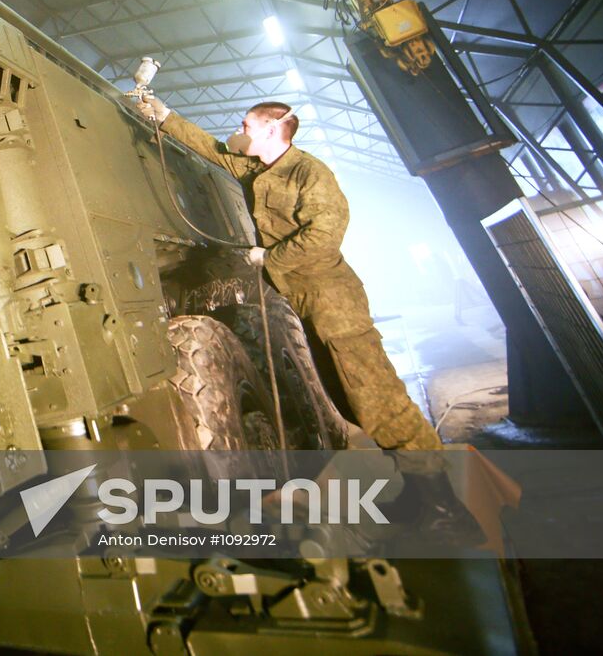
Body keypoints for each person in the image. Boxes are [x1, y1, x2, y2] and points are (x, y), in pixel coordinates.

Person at [136, 96, 444, 456]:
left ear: (271, 129)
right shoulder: (258, 170)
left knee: (374, 395)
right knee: (345, 397)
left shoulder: (309, 173)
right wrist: (167, 116)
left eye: (246, 126)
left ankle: (437, 492)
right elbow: (215, 151)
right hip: (299, 295)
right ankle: (420, 485)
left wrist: (268, 257)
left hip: (331, 298)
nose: (240, 131)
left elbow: (325, 236)